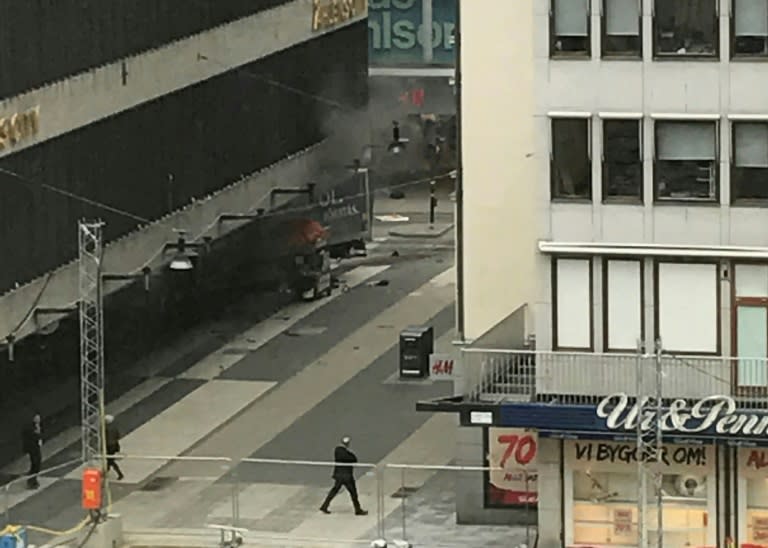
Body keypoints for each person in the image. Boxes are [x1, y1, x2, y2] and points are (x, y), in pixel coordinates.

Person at [319, 436, 367, 516]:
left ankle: (324, 505)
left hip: (339, 475)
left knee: (334, 491)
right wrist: (350, 454)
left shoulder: (337, 451)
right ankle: (357, 509)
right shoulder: (346, 453)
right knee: (353, 493)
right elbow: (354, 459)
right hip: (347, 476)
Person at [21, 412, 42, 489]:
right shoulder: (30, 428)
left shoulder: (38, 426)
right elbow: (30, 438)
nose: (38, 420)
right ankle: (31, 481)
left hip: (36, 447)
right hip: (32, 448)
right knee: (35, 464)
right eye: (37, 418)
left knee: (37, 463)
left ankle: (33, 479)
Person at [105, 415, 124, 480]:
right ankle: (107, 470)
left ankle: (119, 474)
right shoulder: (114, 427)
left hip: (109, 445)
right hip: (114, 445)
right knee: (109, 459)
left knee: (110, 460)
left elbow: (105, 437)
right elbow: (118, 435)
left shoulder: (106, 428)